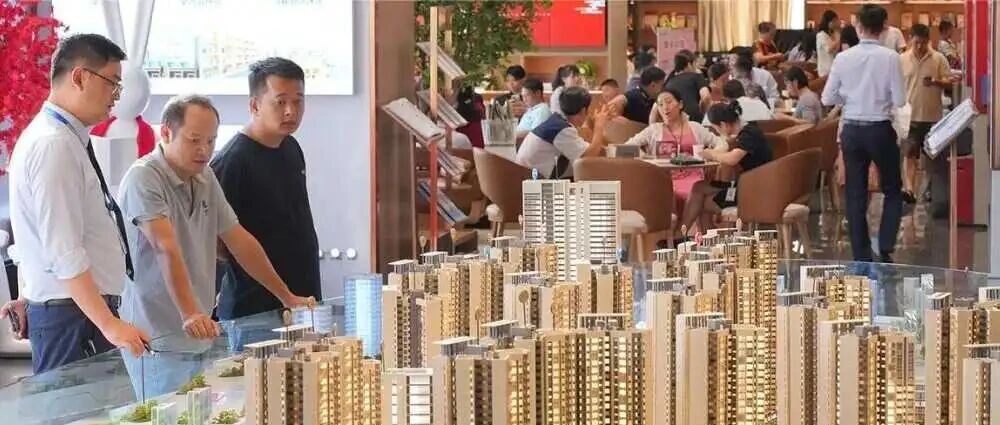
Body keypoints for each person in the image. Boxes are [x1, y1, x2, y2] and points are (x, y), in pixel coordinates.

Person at [117, 95, 314, 397]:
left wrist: (286, 296)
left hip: (201, 335)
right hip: (157, 339)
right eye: (194, 140)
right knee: (167, 415)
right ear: (166, 132)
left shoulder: (205, 176)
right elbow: (165, 247)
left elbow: (239, 240)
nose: (205, 150)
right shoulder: (144, 177)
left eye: (211, 141)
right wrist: (190, 313)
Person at [0, 34, 148, 374]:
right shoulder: (54, 144)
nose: (116, 97)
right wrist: (109, 325)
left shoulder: (64, 137)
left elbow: (42, 238)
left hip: (77, 312)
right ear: (79, 77)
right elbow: (64, 251)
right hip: (75, 318)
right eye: (112, 83)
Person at [211, 58, 322, 352]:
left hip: (301, 301)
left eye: (298, 101)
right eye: (280, 102)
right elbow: (219, 242)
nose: (291, 111)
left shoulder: (290, 146)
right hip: (254, 311)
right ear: (255, 105)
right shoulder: (232, 161)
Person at [822, 4, 906, 263]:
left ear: (858, 27)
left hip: (852, 130)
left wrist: (849, 96)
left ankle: (861, 252)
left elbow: (827, 98)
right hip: (880, 128)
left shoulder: (843, 58)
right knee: (892, 188)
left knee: (855, 193)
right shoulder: (891, 58)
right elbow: (900, 100)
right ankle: (886, 244)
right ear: (884, 28)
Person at [680, 101, 773, 235]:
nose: (718, 133)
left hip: (754, 190)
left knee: (702, 203)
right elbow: (727, 152)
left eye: (716, 129)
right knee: (698, 187)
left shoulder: (750, 133)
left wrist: (711, 154)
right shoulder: (745, 132)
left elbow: (732, 159)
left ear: (723, 125)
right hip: (744, 185)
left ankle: (691, 237)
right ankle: (687, 235)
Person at [623, 88, 726, 206]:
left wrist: (711, 154)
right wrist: (645, 157)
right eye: (660, 104)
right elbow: (626, 147)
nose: (665, 107)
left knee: (694, 194)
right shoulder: (654, 130)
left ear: (680, 104)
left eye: (669, 102)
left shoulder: (695, 128)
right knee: (665, 193)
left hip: (694, 180)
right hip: (663, 180)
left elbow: (722, 143)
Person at [900, 24, 957, 205]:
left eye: (923, 43)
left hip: (932, 117)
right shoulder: (902, 59)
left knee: (932, 158)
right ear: (910, 39)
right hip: (910, 117)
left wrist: (935, 82)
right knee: (909, 155)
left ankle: (929, 189)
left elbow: (950, 83)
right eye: (916, 43)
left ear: (928, 41)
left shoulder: (938, 59)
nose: (919, 47)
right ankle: (909, 190)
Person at [516, 87, 609, 178]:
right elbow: (587, 158)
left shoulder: (558, 123)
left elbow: (588, 148)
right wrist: (599, 126)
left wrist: (593, 124)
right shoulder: (562, 129)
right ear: (583, 110)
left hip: (526, 175)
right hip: (531, 180)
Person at [664, 50, 710, 123]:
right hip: (693, 118)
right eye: (695, 63)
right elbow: (706, 96)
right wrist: (703, 112)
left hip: (673, 119)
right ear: (689, 64)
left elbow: (655, 108)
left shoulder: (668, 82)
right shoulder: (696, 76)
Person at [702, 80, 772, 125]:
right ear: (743, 91)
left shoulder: (721, 112)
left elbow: (705, 126)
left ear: (726, 98)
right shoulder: (760, 104)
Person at [816, 10, 842, 77]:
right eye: (834, 21)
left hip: (833, 68)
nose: (836, 23)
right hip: (825, 71)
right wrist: (838, 37)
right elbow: (829, 49)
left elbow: (836, 51)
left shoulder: (832, 35)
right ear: (828, 22)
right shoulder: (821, 35)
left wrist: (837, 34)